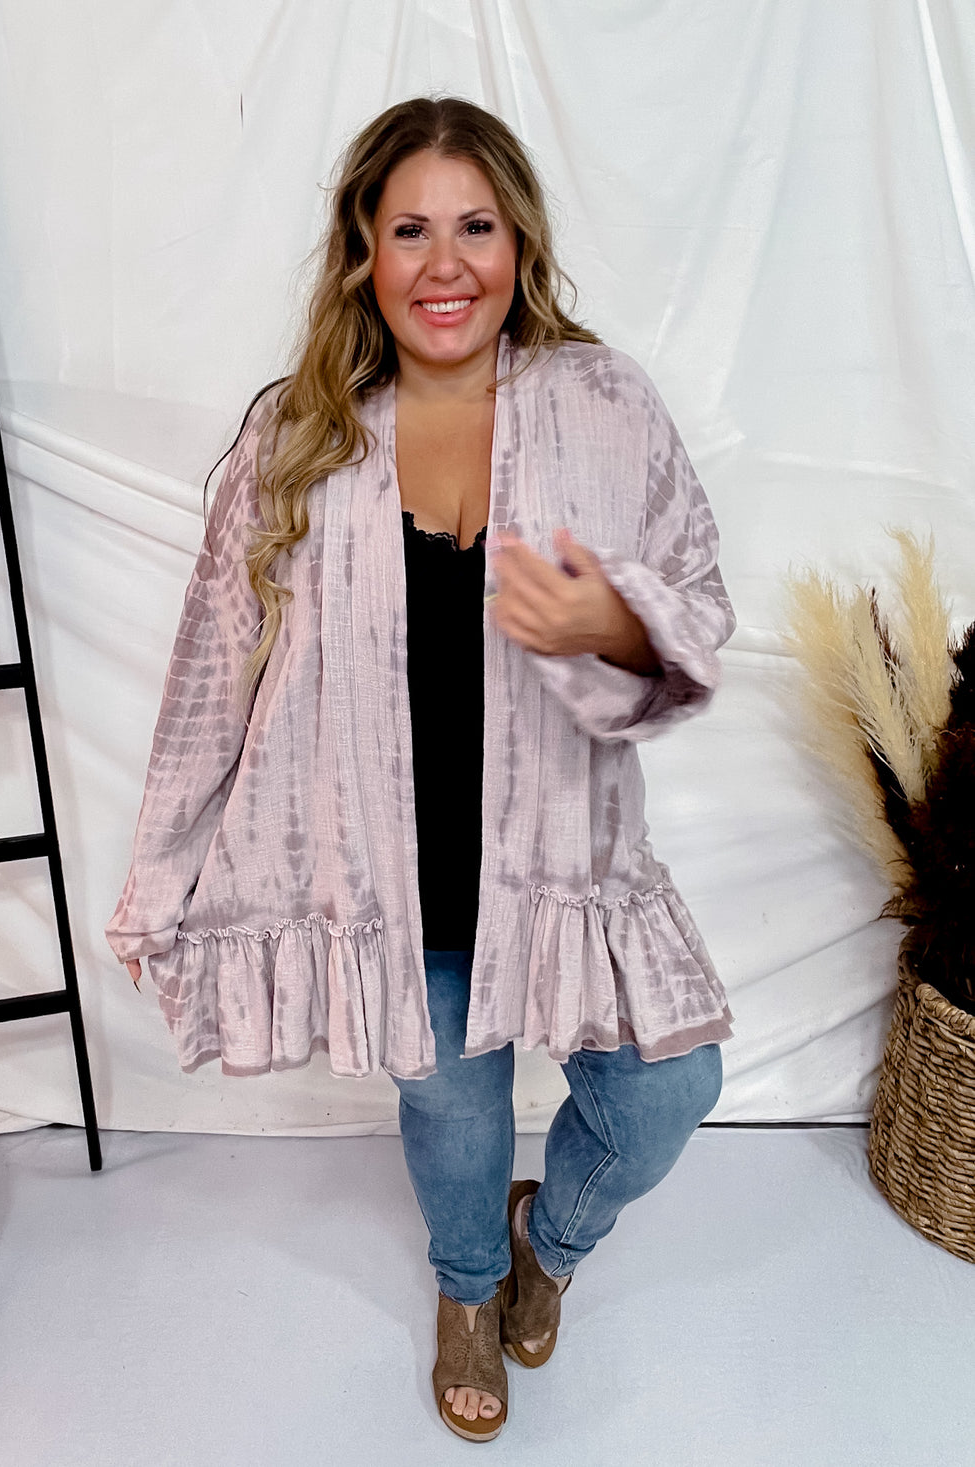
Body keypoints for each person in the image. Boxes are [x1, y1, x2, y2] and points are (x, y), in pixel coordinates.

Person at [107, 96, 735, 1443]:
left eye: (475, 227)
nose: (445, 264)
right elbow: (213, 668)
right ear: (364, 252)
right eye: (410, 231)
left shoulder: (604, 404)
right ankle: (467, 1288)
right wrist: (159, 881)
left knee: (669, 1091)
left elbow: (698, 599)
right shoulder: (301, 434)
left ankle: (548, 1243)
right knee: (453, 1114)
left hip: (561, 866)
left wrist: (614, 619)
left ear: (521, 244)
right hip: (387, 883)